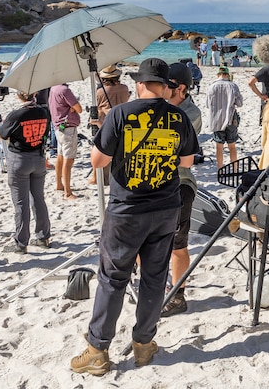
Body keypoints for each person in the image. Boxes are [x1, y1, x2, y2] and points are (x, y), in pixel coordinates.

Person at [71, 58, 199, 375]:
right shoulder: (178, 116)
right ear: (166, 84)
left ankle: (98, 349)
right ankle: (143, 345)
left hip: (127, 209)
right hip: (165, 207)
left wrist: (105, 133)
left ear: (140, 83)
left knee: (113, 279)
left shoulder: (121, 114)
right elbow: (187, 161)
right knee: (154, 280)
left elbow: (99, 162)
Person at [161, 62, 203, 318]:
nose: (162, 88)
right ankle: (157, 286)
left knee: (178, 243)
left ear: (181, 89)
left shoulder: (191, 113)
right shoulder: (159, 106)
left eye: (167, 85)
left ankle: (178, 295)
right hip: (152, 182)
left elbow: (177, 150)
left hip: (179, 182)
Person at [0, 91, 50, 253]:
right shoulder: (43, 111)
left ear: (19, 96)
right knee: (38, 198)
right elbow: (46, 132)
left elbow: (2, 134)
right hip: (38, 157)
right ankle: (43, 237)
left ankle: (21, 243)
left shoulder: (16, 114)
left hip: (20, 158)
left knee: (21, 203)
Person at [87, 64, 131, 185]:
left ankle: (97, 178)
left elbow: (96, 107)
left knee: (101, 149)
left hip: (105, 121)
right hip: (121, 120)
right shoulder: (124, 88)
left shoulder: (101, 91)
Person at [48, 83, 84, 199]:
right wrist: (73, 108)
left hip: (59, 127)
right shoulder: (64, 90)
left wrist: (71, 107)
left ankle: (59, 184)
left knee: (61, 156)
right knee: (68, 160)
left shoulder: (53, 88)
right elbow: (79, 109)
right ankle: (67, 192)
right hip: (67, 128)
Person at [206, 65, 243, 169]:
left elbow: (208, 104)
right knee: (232, 146)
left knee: (219, 147)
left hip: (216, 119)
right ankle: (234, 169)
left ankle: (220, 169)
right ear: (228, 75)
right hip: (231, 118)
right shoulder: (233, 86)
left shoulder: (212, 86)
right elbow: (240, 103)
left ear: (218, 75)